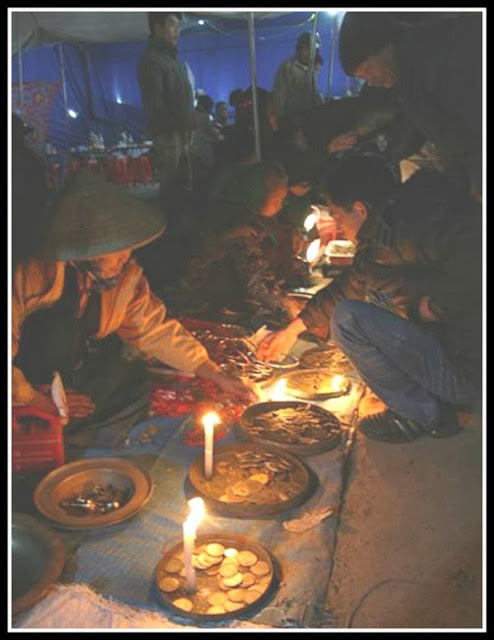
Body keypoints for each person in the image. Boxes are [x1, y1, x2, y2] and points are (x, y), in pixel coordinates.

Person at [12, 170, 255, 454]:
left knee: (132, 381)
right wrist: (38, 399)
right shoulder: (31, 274)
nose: (126, 256)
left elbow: (154, 328)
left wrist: (213, 372)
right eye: (117, 250)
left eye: (127, 248)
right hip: (22, 384)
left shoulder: (124, 278)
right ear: (86, 251)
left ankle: (77, 429)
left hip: (71, 376)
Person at [257, 154, 481, 443]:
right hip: (461, 358)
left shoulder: (408, 228)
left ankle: (420, 414)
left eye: (337, 215)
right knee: (359, 306)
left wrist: (432, 308)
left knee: (349, 320)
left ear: (360, 210)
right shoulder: (394, 227)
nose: (337, 225)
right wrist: (291, 331)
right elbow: (348, 285)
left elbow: (477, 256)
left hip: (467, 372)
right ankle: (432, 402)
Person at [337, 11, 483, 202]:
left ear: (382, 47)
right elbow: (412, 135)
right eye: (363, 78)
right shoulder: (407, 81)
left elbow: (476, 120)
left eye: (367, 70)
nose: (370, 81)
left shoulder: (435, 60)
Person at [181, 160, 304, 324]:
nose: (280, 207)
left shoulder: (260, 222)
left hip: (232, 301)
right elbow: (258, 282)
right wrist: (298, 315)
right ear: (258, 196)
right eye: (276, 201)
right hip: (206, 306)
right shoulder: (241, 230)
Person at [137, 11, 196, 230]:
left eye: (178, 26)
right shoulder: (152, 61)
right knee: (172, 188)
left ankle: (181, 230)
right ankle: (170, 235)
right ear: (157, 27)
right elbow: (155, 105)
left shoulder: (170, 59)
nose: (177, 31)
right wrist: (174, 131)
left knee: (184, 186)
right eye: (172, 25)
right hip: (170, 136)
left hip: (182, 135)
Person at [272, 31, 324, 122]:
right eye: (306, 49)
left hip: (311, 116)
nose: (309, 53)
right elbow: (280, 95)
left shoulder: (314, 67)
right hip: (293, 119)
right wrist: (282, 120)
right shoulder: (288, 67)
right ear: (299, 49)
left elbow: (314, 91)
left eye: (313, 50)